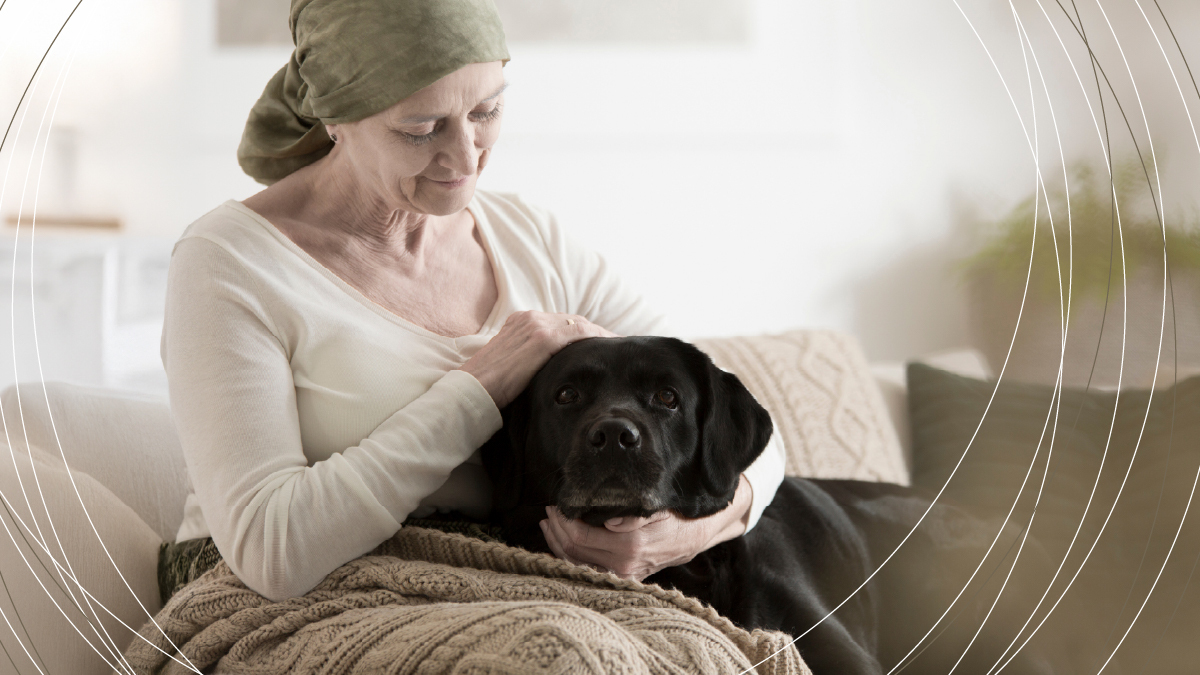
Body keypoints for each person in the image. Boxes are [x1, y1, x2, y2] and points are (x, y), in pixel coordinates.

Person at [162, 0, 786, 604]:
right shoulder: (229, 261)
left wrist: (688, 534)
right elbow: (270, 552)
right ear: (334, 118)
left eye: (487, 111)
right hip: (287, 600)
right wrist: (481, 385)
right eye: (420, 129)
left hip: (507, 583)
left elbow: (753, 435)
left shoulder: (530, 238)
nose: (466, 156)